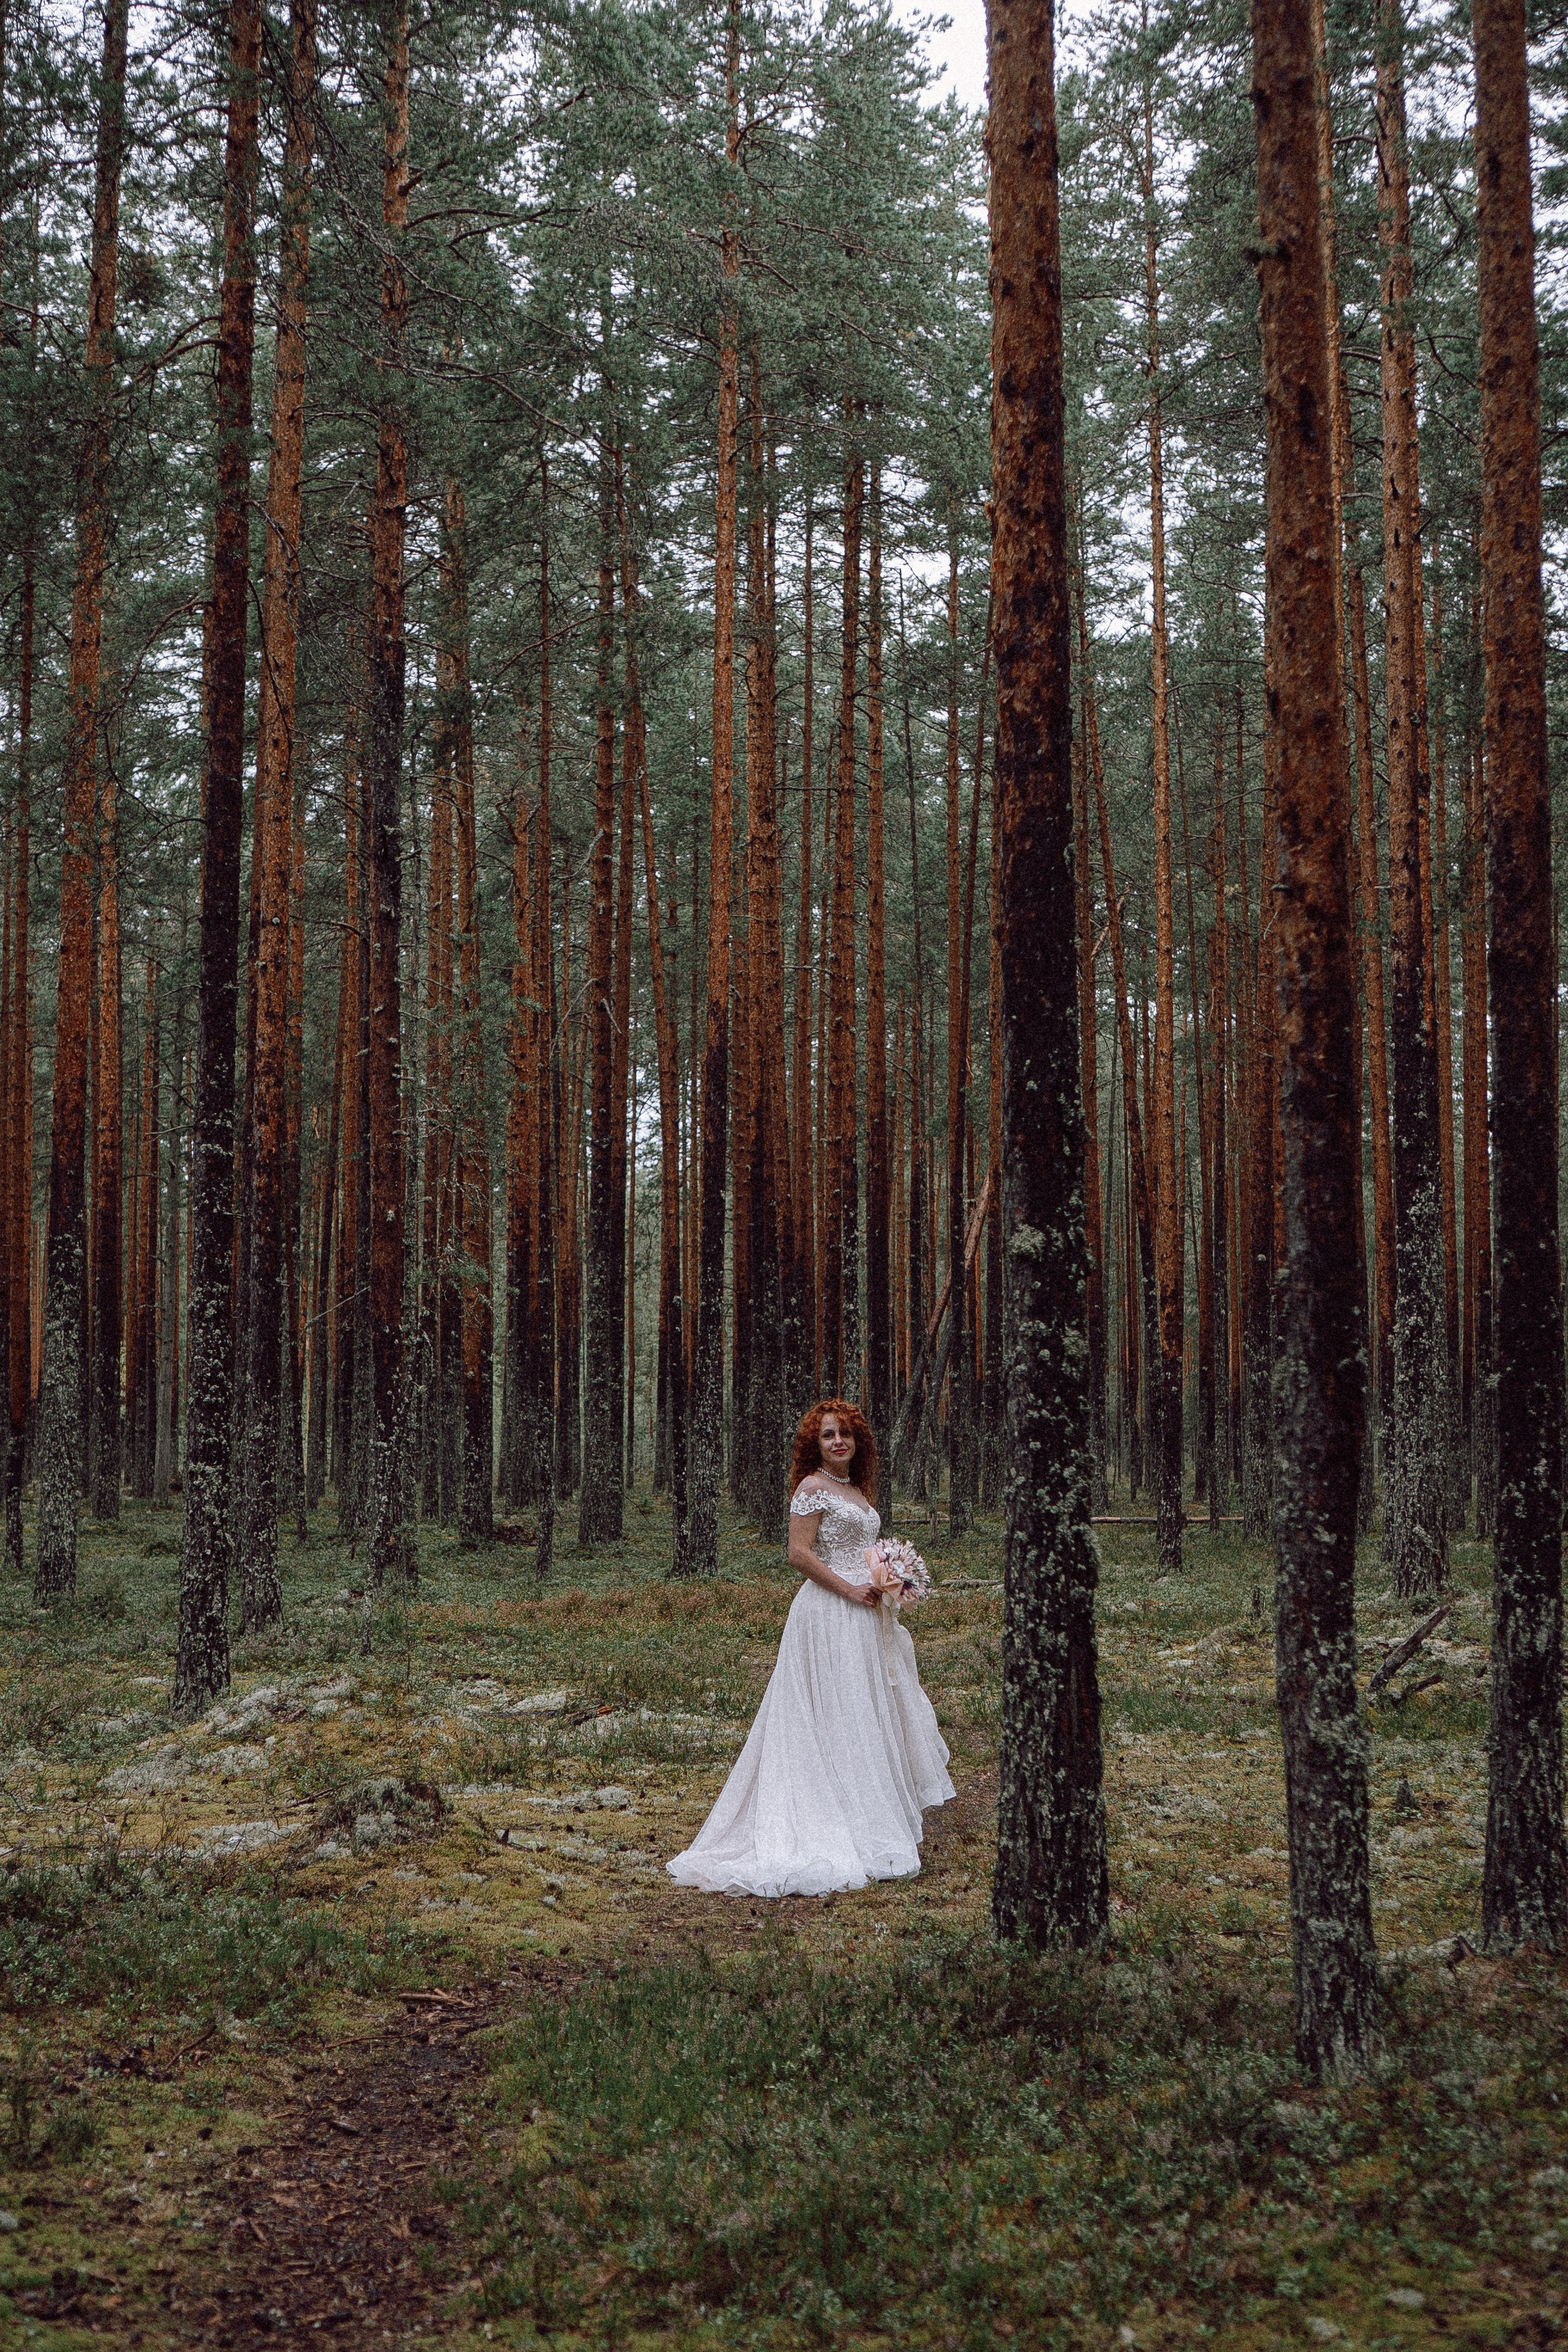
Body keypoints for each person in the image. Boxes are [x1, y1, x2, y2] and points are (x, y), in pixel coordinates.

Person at [666, 1398, 954, 1899]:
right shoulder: (812, 1488)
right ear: (814, 1444)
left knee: (860, 1710)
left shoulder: (857, 1491)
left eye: (845, 1433)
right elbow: (798, 1553)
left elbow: (862, 1546)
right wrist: (849, 1588)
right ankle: (824, 1814)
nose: (838, 1441)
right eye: (827, 1435)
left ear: (857, 1441)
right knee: (832, 1708)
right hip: (828, 1611)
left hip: (866, 1611)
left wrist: (889, 1578)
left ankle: (865, 1810)